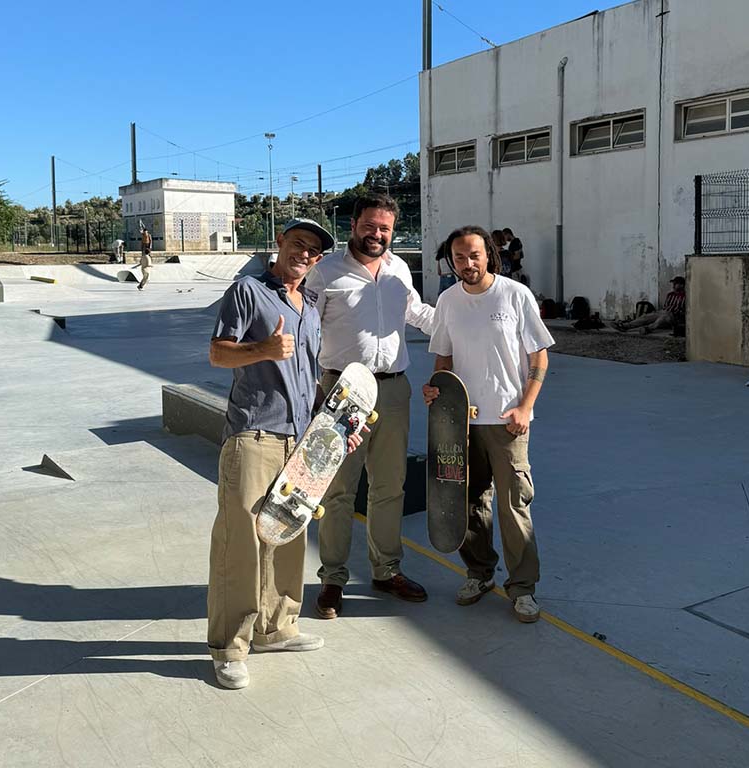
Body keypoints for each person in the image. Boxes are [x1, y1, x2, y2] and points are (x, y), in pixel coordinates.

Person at [207, 217, 356, 691]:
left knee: (289, 535)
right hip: (253, 435)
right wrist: (264, 349)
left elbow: (310, 382)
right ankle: (230, 647)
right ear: (279, 243)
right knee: (241, 543)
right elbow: (218, 353)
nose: (305, 254)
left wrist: (332, 433)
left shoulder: (309, 306)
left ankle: (278, 627)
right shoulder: (248, 292)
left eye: (314, 250)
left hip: (300, 441)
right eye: (298, 244)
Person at [305, 192, 435, 619]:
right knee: (339, 490)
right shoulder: (324, 273)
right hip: (341, 391)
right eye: (370, 225)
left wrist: (464, 317)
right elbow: (306, 335)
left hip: (394, 390)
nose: (377, 234)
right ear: (353, 224)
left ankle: (386, 570)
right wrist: (313, 393)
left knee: (389, 487)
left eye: (385, 228)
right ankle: (332, 580)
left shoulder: (399, 269)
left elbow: (415, 313)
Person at [423, 225, 554, 624]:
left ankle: (522, 588)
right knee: (470, 503)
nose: (467, 263)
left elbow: (540, 358)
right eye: (459, 257)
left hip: (507, 422)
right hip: (462, 423)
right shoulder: (447, 301)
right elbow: (443, 359)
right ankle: (479, 574)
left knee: (514, 505)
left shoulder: (515, 295)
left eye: (475, 255)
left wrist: (524, 408)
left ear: (489, 255)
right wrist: (435, 390)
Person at [611, 277, 686, 333]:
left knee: (665, 315)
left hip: (674, 317)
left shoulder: (685, 296)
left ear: (682, 285)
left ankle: (648, 329)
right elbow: (665, 307)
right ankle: (625, 326)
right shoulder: (670, 295)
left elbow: (684, 311)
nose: (673, 286)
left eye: (675, 284)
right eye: (674, 284)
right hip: (664, 312)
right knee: (646, 316)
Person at [138, 226, 153, 290]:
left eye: (145, 232)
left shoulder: (149, 235)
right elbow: (141, 240)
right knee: (144, 253)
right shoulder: (143, 235)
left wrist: (150, 246)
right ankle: (140, 286)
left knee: (148, 253)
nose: (145, 233)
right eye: (144, 232)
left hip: (147, 244)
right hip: (144, 244)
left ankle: (140, 286)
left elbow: (151, 240)